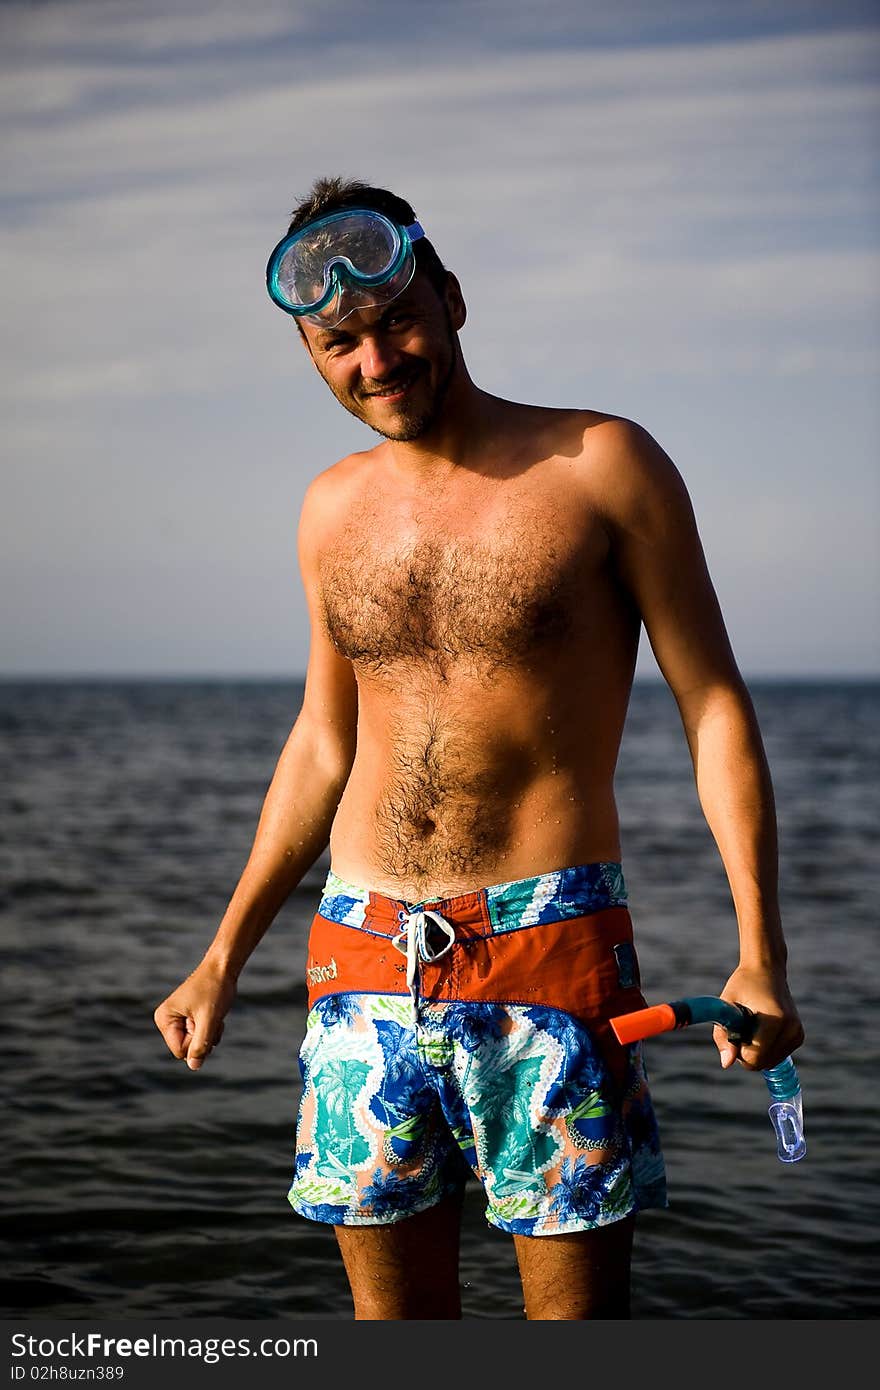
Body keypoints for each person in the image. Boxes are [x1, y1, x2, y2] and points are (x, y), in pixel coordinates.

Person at [153, 176, 804, 1321]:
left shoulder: (602, 463)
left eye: (397, 317)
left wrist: (761, 947)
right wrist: (223, 953)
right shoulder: (326, 510)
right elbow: (321, 741)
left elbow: (711, 704)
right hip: (360, 959)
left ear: (452, 300)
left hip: (546, 950)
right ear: (314, 358)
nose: (376, 357)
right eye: (339, 342)